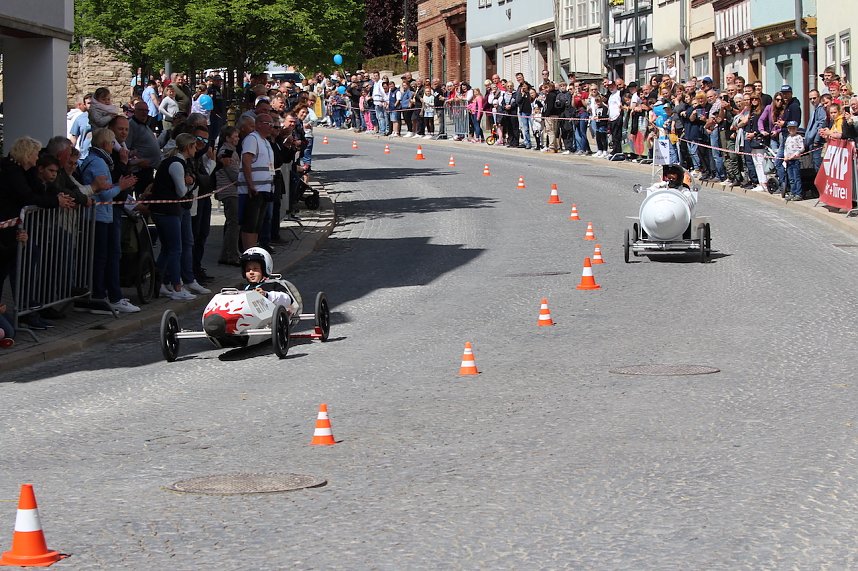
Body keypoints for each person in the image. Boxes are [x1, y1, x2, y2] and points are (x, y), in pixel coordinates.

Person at [78, 128, 141, 314]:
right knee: (101, 257)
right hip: (99, 216)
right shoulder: (98, 162)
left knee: (103, 256)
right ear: (106, 144)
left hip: (100, 215)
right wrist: (120, 186)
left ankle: (104, 294)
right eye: (112, 142)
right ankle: (101, 296)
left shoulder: (98, 160)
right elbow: (104, 192)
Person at [239, 247, 299, 315]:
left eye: (255, 269)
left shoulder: (273, 284)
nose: (251, 272)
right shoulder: (243, 288)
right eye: (248, 270)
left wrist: (266, 295)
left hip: (269, 320)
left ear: (264, 269)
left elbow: (288, 300)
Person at [782, 121, 805, 201]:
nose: (792, 130)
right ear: (788, 129)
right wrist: (785, 156)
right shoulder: (788, 138)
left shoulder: (798, 137)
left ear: (796, 129)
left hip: (795, 160)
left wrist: (794, 155)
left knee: (796, 177)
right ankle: (793, 192)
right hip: (789, 161)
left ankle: (798, 194)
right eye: (790, 128)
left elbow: (801, 148)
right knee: (791, 178)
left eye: (793, 128)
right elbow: (785, 148)